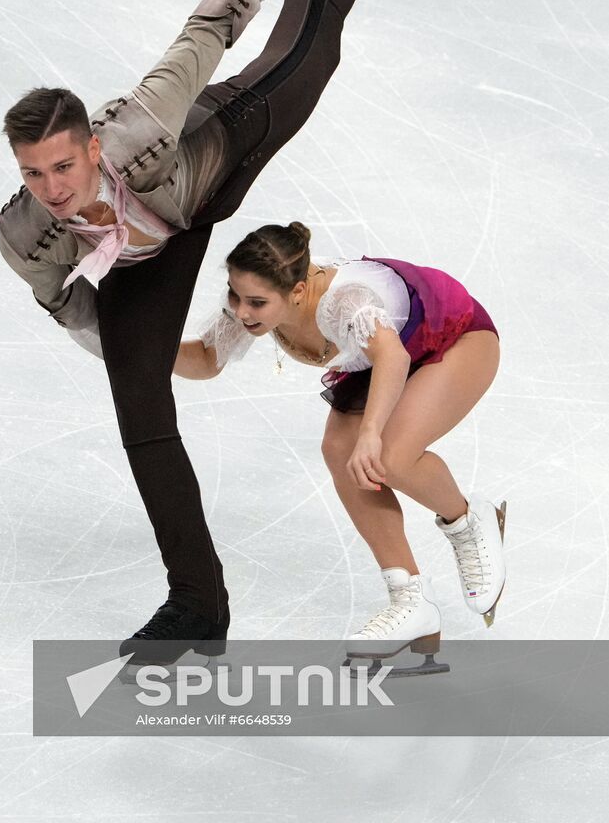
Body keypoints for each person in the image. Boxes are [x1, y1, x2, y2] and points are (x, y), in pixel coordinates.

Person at [0, 0, 473, 661]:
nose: (53, 191)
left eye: (62, 167)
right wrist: (134, 355)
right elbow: (73, 310)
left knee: (313, 28)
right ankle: (197, 603)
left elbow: (213, 20)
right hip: (151, 247)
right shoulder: (27, 240)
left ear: (88, 147)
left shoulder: (140, 125)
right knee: (136, 400)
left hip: (217, 154)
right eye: (33, 175)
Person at [175, 222, 506, 662]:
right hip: (383, 356)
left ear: (297, 291)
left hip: (456, 338)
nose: (241, 311)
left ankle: (469, 522)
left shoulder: (345, 304)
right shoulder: (251, 305)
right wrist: (132, 348)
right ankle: (411, 601)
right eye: (235, 295)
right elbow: (206, 359)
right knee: (338, 450)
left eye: (256, 302)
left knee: (388, 455)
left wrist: (370, 433)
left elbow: (392, 356)